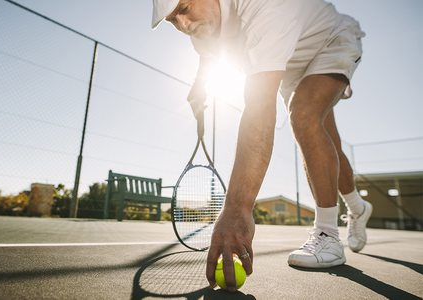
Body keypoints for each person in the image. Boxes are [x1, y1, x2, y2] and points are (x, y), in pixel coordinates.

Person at [151, 0, 373, 291]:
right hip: (292, 61)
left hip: (329, 38)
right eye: (172, 21)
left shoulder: (266, 6)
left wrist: (236, 208)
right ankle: (357, 206)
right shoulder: (202, 30)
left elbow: (259, 106)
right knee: (324, 136)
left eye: (184, 8)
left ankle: (328, 235)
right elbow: (208, 57)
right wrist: (199, 87)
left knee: (303, 116)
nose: (183, 25)